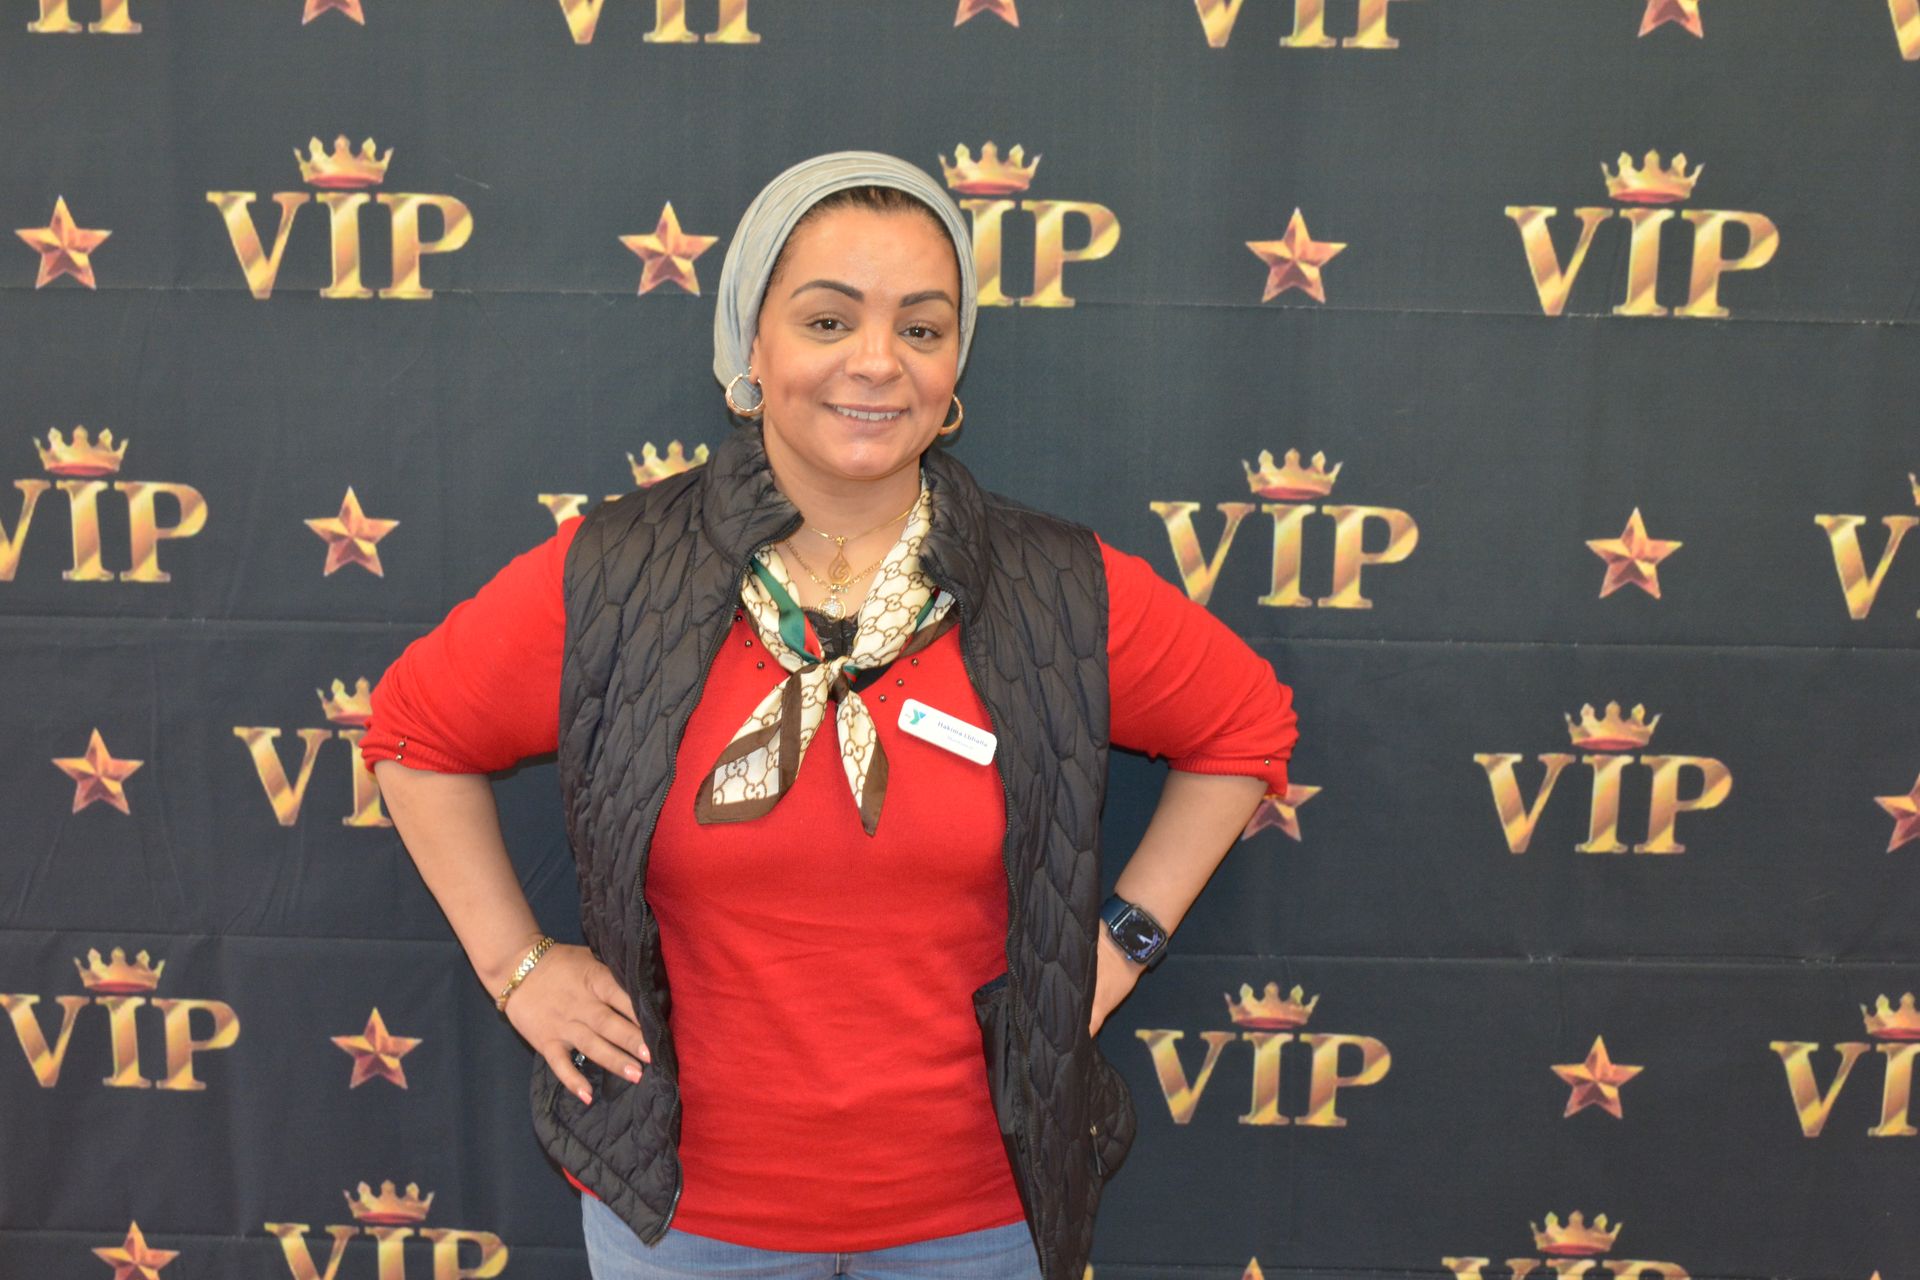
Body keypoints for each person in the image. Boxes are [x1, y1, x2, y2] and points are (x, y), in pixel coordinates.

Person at [361, 151, 1297, 1280]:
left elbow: (1245, 726)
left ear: (956, 364)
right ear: (749, 348)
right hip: (686, 1222)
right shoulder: (615, 574)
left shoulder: (1055, 587)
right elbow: (412, 734)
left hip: (981, 1218)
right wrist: (517, 966)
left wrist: (1120, 946)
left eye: (921, 327)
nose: (877, 361)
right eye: (827, 320)